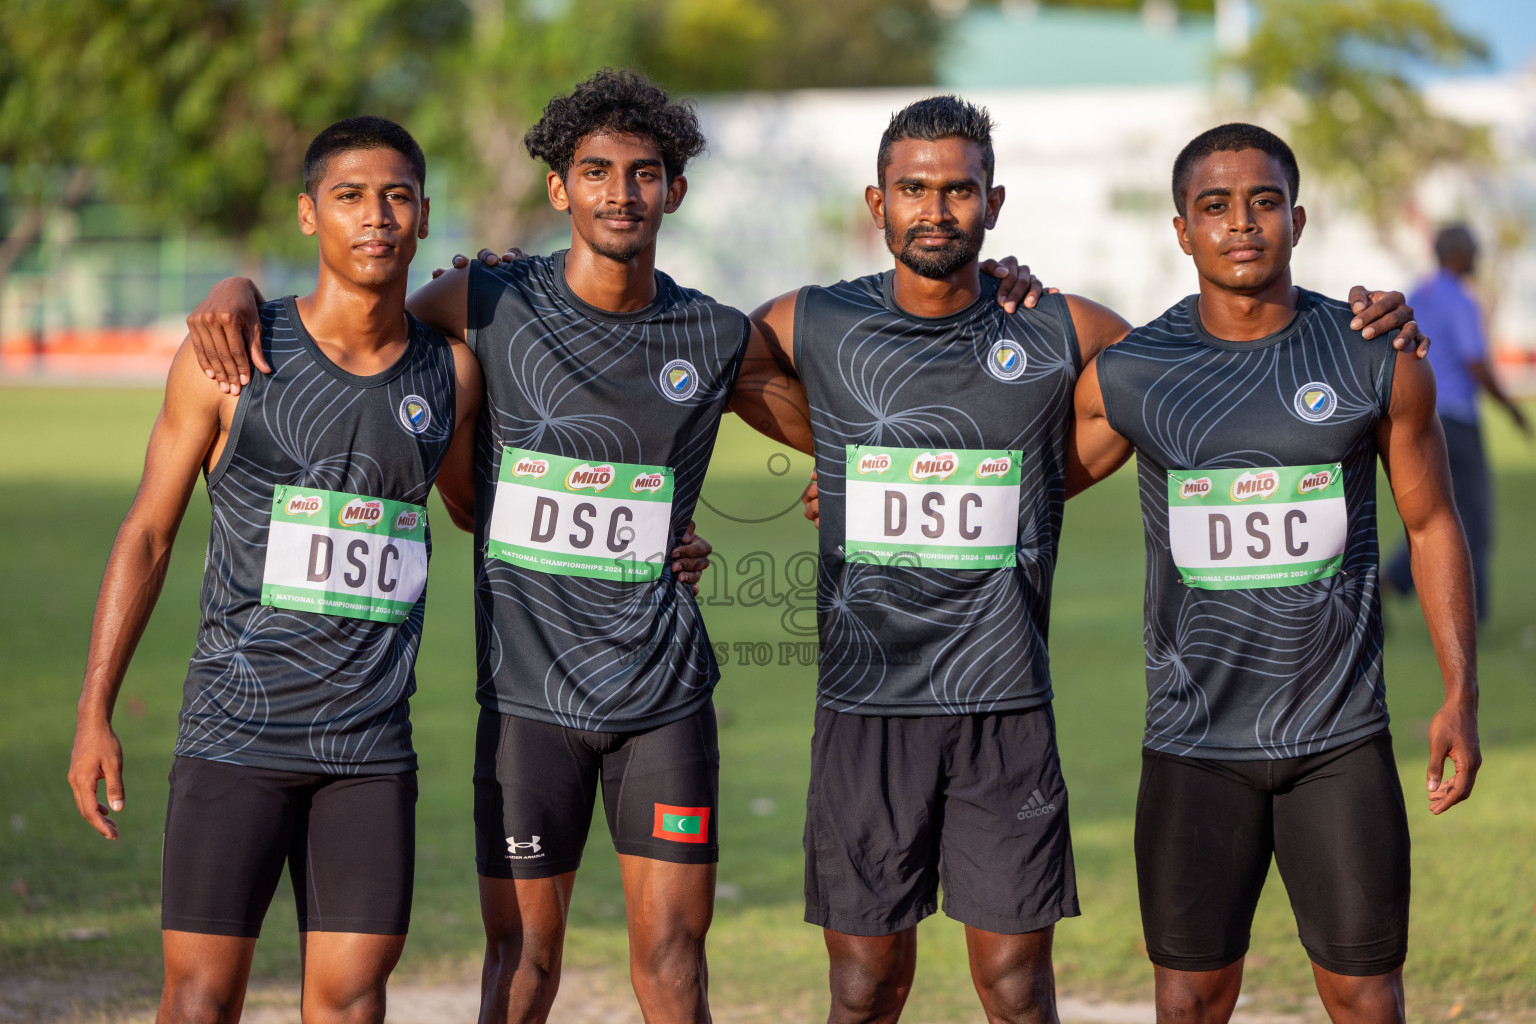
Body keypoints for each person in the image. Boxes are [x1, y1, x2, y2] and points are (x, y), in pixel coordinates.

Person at [182, 72, 1044, 1024]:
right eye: (595, 172)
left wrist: (862, 470)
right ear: (561, 189)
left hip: (664, 703)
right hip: (526, 706)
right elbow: (359, 309)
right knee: (522, 964)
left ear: (674, 191)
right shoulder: (483, 302)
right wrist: (240, 292)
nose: (619, 194)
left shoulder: (716, 335)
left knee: (675, 963)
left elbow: (854, 432)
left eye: (643, 175)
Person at [787, 103, 1422, 1024]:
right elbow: (702, 378)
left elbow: (1167, 387)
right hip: (868, 704)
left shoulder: (1072, 331)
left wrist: (1369, 319)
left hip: (1008, 705)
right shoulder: (814, 319)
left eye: (958, 188)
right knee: (862, 988)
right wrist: (846, 478)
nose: (935, 208)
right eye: (914, 189)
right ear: (876, 203)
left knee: (1017, 989)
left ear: (992, 202)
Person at [67, 117, 483, 1024]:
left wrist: (658, 541)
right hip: (234, 736)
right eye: (349, 196)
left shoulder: (451, 375)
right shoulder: (230, 360)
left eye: (397, 196)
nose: (376, 216)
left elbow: (472, 509)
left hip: (370, 750)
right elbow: (146, 534)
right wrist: (95, 709)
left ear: (421, 217)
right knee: (201, 998)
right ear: (308, 215)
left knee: (351, 1002)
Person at [1069, 123, 1480, 1024]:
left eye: (1262, 202)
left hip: (1339, 739)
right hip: (1192, 744)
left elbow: (1432, 521)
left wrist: (1460, 695)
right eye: (1213, 206)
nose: (1240, 223)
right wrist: (854, 485)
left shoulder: (1374, 352)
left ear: (1297, 218)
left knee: (1367, 999)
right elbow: (1021, 481)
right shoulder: (1137, 371)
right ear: (1182, 230)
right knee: (1188, 1000)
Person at [1385, 224, 1530, 621]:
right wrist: (1513, 411)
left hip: (1417, 415)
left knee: (1431, 513)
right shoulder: (1461, 300)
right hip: (1456, 422)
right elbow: (1475, 362)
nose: (1478, 255)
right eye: (1473, 248)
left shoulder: (1418, 293)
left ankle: (1388, 585)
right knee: (1473, 519)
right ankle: (1471, 616)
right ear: (1456, 254)